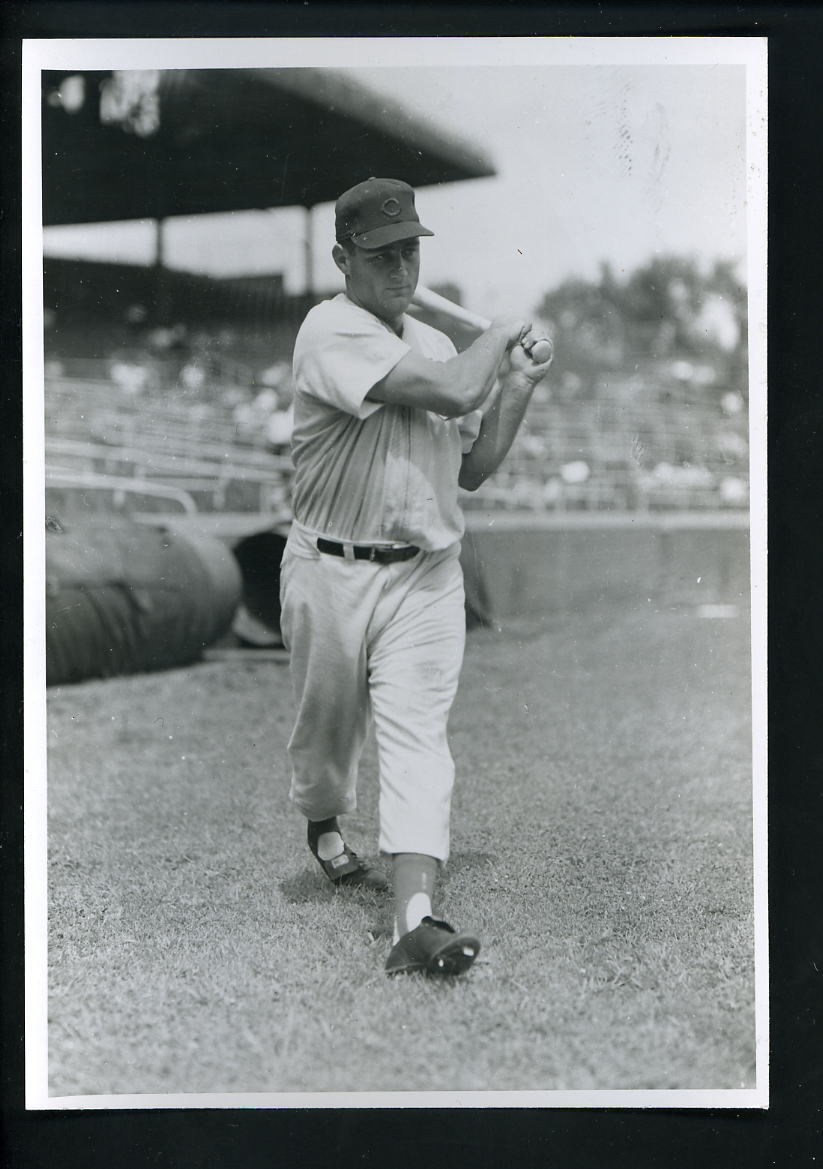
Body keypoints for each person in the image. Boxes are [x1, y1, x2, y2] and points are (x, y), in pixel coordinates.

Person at [280, 177, 552, 977]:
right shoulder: (327, 329)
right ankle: (324, 823)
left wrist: (519, 387)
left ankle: (414, 918)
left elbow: (472, 466)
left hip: (426, 573)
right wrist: (496, 338)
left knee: (417, 740)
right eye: (381, 254)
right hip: (331, 567)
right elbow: (453, 386)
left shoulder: (438, 344)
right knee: (326, 734)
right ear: (342, 259)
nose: (401, 269)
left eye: (409, 251)